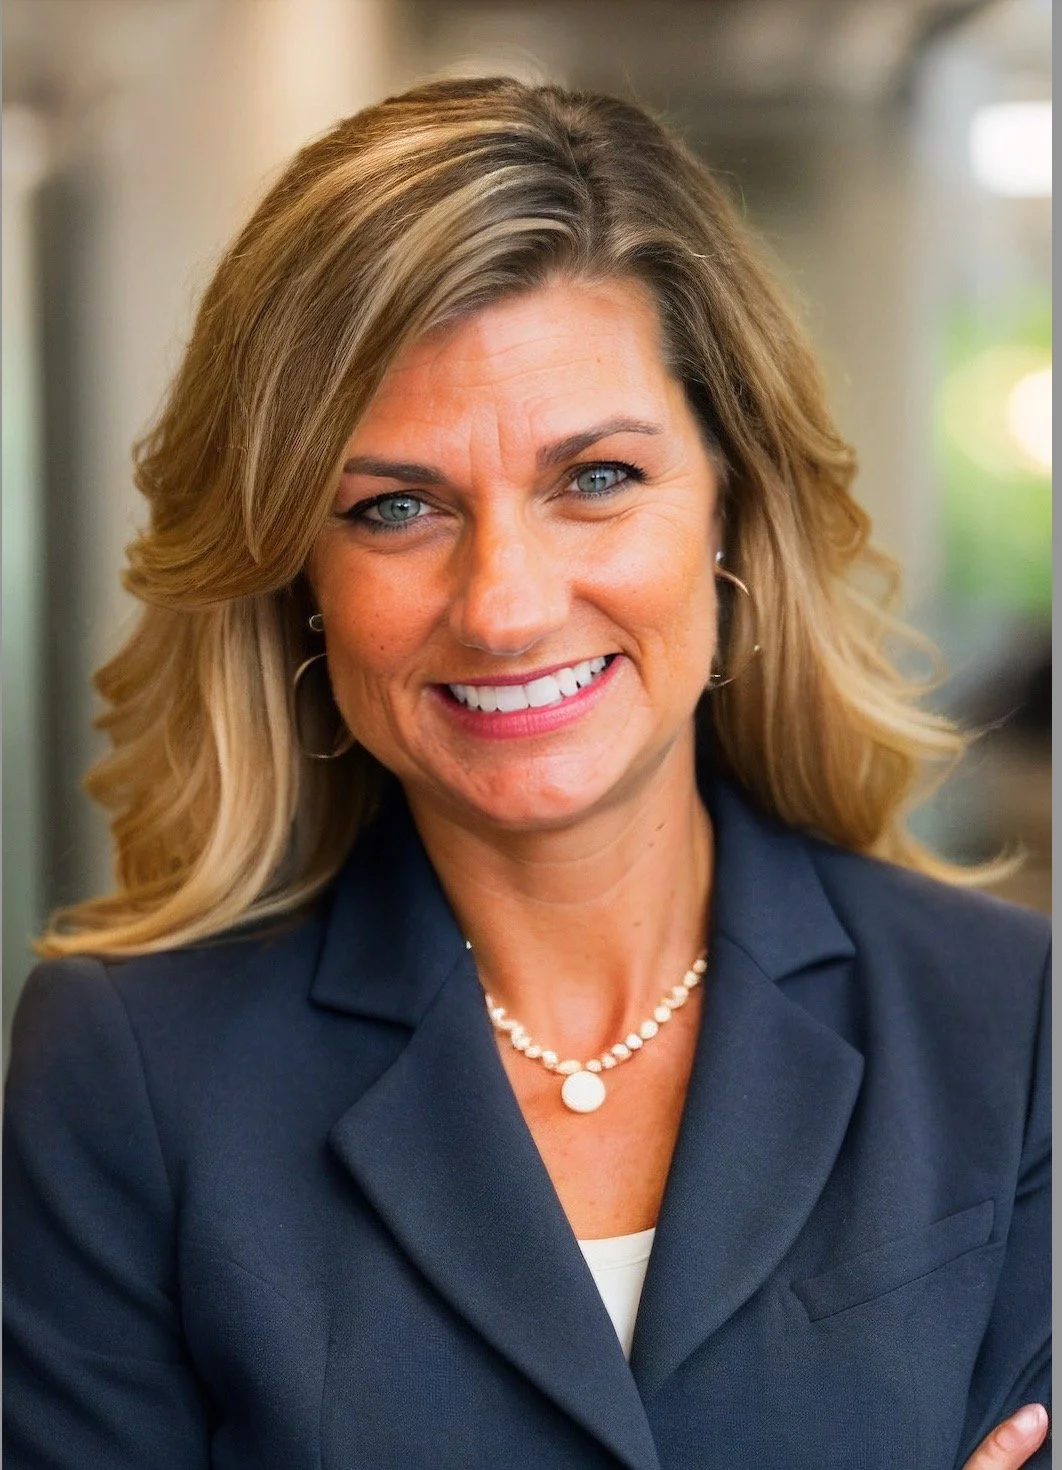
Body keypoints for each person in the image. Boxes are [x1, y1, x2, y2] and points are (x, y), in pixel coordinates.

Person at [3, 77, 1049, 1470]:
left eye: (595, 478)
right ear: (293, 579)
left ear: (729, 504)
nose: (502, 604)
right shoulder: (128, 1074)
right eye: (393, 507)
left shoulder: (1010, 1019)